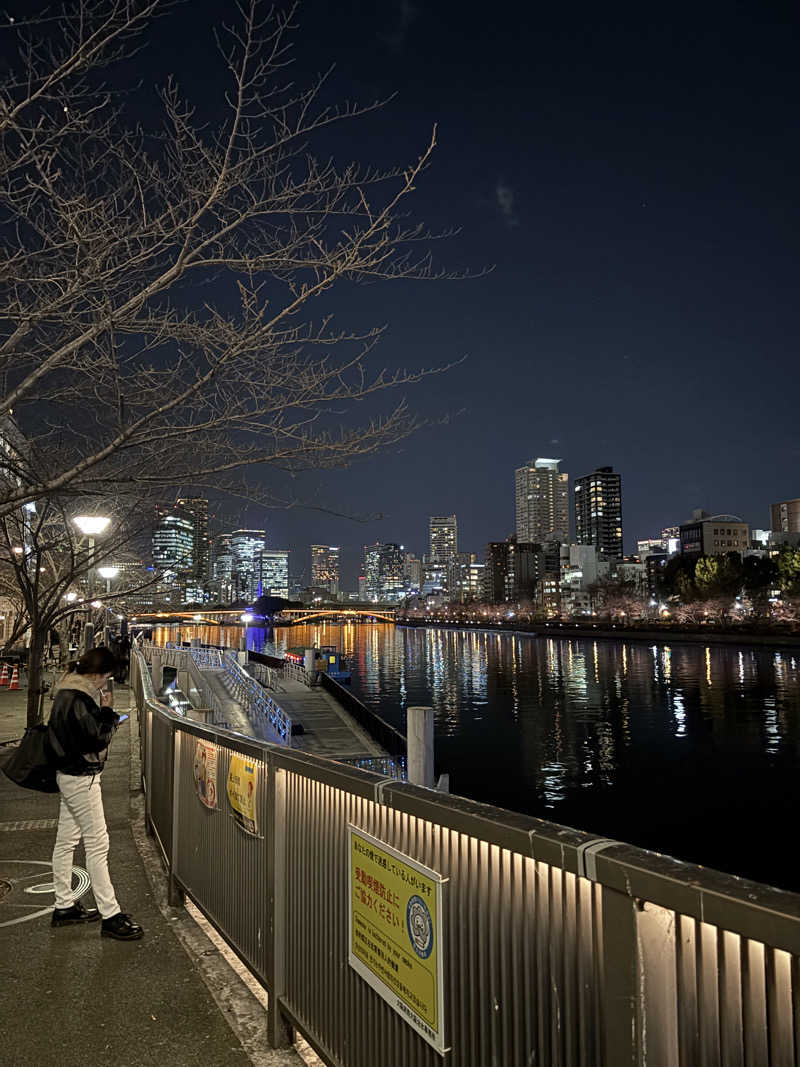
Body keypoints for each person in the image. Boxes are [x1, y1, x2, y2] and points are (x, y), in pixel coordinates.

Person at [48, 646, 143, 941]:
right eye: (106, 677)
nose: (105, 683)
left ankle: (64, 905)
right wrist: (108, 714)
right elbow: (94, 738)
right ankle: (110, 915)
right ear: (97, 674)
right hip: (82, 777)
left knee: (66, 840)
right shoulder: (80, 698)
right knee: (98, 844)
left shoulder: (66, 690)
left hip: (67, 774)